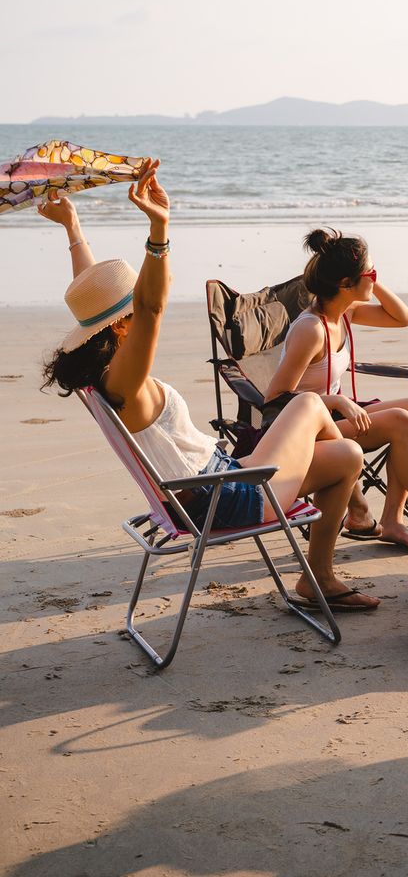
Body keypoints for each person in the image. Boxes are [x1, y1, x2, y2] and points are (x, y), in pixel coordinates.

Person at [39, 166, 380, 611]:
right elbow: (150, 307)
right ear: (123, 327)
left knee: (347, 455)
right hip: (226, 498)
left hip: (215, 482)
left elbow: (98, 299)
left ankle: (329, 560)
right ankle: (338, 546)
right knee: (314, 404)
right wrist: (159, 229)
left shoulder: (100, 370)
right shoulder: (127, 383)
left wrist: (73, 228)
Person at [263, 229, 408, 551]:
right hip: (306, 431)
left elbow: (404, 318)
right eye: (370, 274)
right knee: (402, 419)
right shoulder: (312, 329)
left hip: (334, 418)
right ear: (345, 283)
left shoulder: (346, 312)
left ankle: (392, 519)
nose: (375, 277)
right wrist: (334, 400)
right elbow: (275, 400)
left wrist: (369, 279)